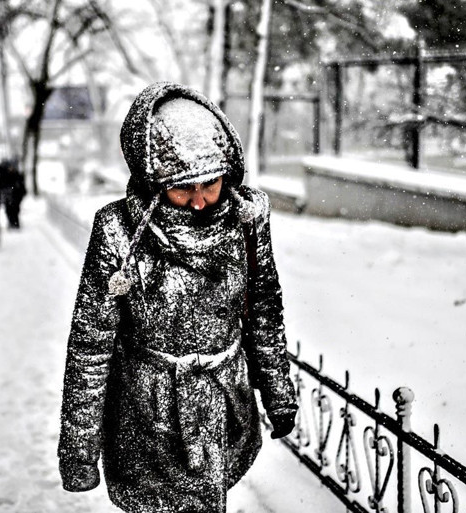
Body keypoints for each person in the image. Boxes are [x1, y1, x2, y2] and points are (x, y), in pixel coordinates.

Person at [58, 82, 298, 513]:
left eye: (211, 183)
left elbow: (263, 310)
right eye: (184, 188)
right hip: (146, 420)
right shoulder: (118, 232)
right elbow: (91, 344)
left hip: (224, 410)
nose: (202, 200)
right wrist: (79, 449)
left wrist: (278, 393)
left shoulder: (245, 221)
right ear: (154, 180)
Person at [0, 158, 26, 229]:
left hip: (15, 196)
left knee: (15, 210)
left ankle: (15, 223)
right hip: (9, 196)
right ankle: (11, 222)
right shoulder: (5, 175)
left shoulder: (17, 175)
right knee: (9, 210)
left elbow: (21, 186)